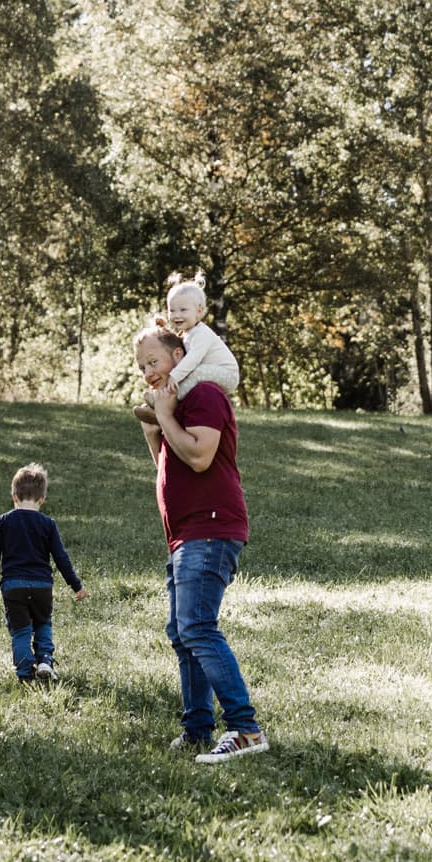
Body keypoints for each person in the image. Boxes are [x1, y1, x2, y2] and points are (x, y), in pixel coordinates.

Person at [134, 324, 268, 763]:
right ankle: (196, 729)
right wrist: (156, 428)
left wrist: (167, 414)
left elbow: (199, 455)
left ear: (180, 354)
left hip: (211, 528)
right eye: (142, 367)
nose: (149, 373)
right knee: (181, 631)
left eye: (155, 362)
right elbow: (170, 465)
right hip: (185, 533)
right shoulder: (177, 403)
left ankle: (245, 729)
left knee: (196, 626)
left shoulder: (206, 393)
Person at [0, 463, 88, 682]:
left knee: (21, 630)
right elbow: (61, 558)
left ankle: (24, 673)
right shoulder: (48, 524)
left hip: (13, 586)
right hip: (42, 586)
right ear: (42, 499)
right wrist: (76, 585)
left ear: (14, 496)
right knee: (43, 623)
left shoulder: (4, 521)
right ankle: (45, 661)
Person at [134, 272, 241, 425]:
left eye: (183, 310)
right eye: (172, 310)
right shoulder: (187, 332)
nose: (177, 315)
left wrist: (174, 376)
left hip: (227, 373)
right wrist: (163, 327)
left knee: (195, 372)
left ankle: (167, 407)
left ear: (199, 310)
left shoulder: (202, 334)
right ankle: (161, 403)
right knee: (192, 374)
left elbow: (192, 359)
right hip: (212, 370)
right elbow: (174, 346)